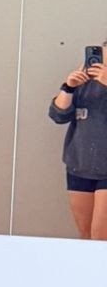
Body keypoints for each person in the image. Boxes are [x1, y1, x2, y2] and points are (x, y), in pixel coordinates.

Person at [50, 56, 107, 239]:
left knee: (101, 237)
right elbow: (58, 116)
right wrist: (69, 86)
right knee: (85, 235)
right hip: (80, 164)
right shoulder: (84, 83)